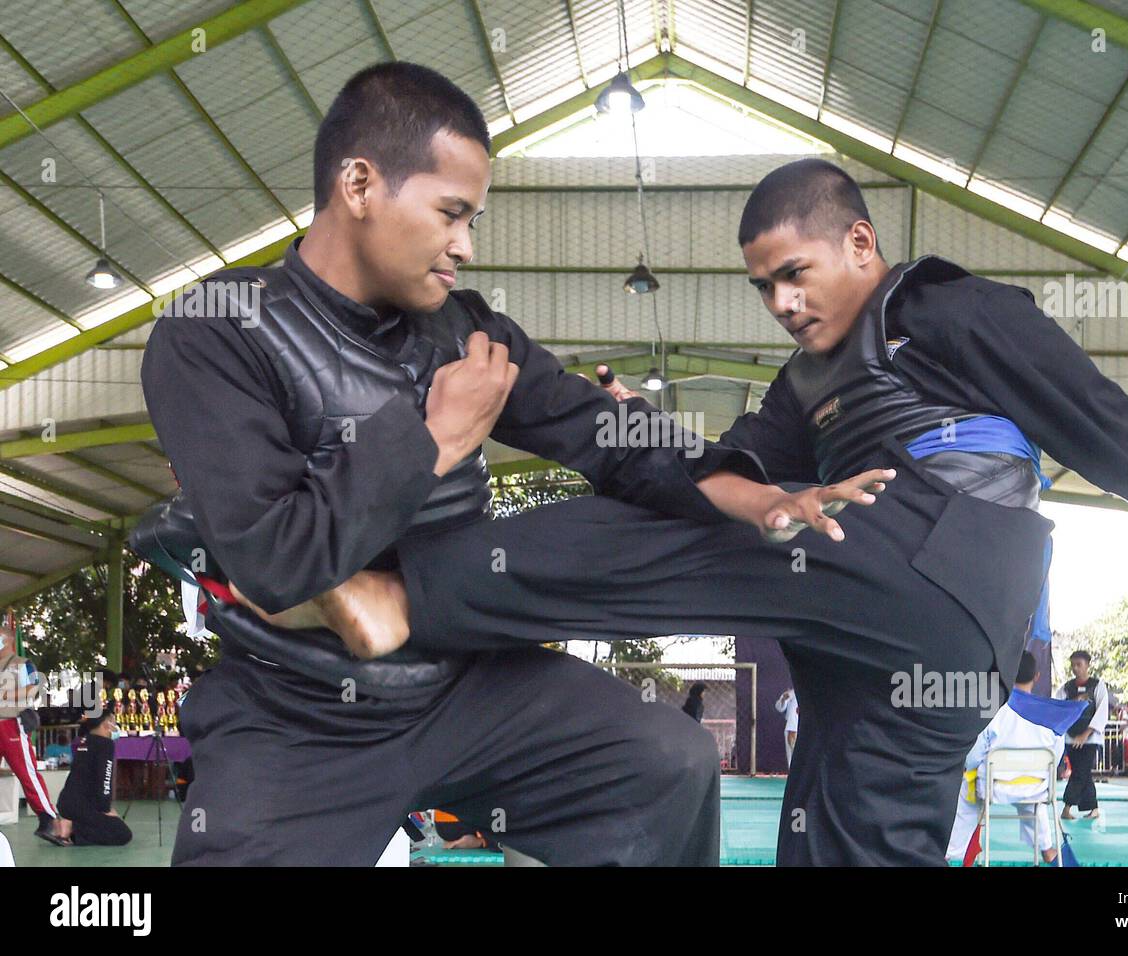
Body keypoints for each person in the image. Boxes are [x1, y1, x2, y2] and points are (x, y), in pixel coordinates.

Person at [252, 158, 1128, 865]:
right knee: (846, 832)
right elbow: (731, 474)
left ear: (858, 240)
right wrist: (628, 428)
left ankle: (392, 591)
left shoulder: (945, 310)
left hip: (944, 555)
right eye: (761, 285)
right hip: (893, 648)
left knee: (677, 543)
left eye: (793, 273)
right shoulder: (802, 383)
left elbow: (1094, 412)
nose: (777, 300)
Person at [131, 62, 880, 867]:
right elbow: (275, 561)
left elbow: (600, 432)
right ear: (358, 184)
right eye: (451, 214)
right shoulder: (217, 334)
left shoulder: (467, 332)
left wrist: (754, 494)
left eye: (473, 219)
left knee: (664, 762)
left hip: (468, 684)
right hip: (297, 712)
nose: (466, 246)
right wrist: (432, 439)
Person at [945, 652, 1084, 865]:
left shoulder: (994, 710)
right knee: (1034, 799)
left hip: (994, 787)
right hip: (1036, 788)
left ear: (1007, 672)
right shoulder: (1052, 717)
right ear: (1037, 676)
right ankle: (1047, 849)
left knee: (967, 786)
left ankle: (952, 850)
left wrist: (966, 767)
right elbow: (1054, 761)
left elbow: (974, 755)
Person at [0, 620, 63, 846]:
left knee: (27, 773)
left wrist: (6, 694)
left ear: (7, 640)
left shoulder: (23, 664)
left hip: (12, 723)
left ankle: (47, 818)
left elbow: (34, 688)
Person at [51, 710, 132, 847]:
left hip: (67, 802)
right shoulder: (106, 744)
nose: (115, 725)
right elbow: (105, 779)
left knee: (102, 823)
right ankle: (71, 828)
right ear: (106, 724)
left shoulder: (84, 741)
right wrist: (106, 809)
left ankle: (68, 824)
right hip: (80, 807)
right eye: (113, 721)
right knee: (123, 833)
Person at [1054, 651, 1108, 819]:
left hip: (1090, 738)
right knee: (1082, 772)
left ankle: (1067, 807)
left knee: (1080, 772)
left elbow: (1102, 711)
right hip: (1071, 736)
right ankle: (1093, 808)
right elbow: (1059, 708)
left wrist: (1086, 733)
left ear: (1088, 665)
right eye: (1073, 665)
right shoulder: (1066, 688)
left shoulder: (1098, 685)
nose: (1075, 668)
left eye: (1079, 664)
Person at [775, 688, 799, 769]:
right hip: (793, 726)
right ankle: (793, 773)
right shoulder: (791, 693)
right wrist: (783, 700)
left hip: (807, 727)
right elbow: (779, 707)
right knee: (791, 755)